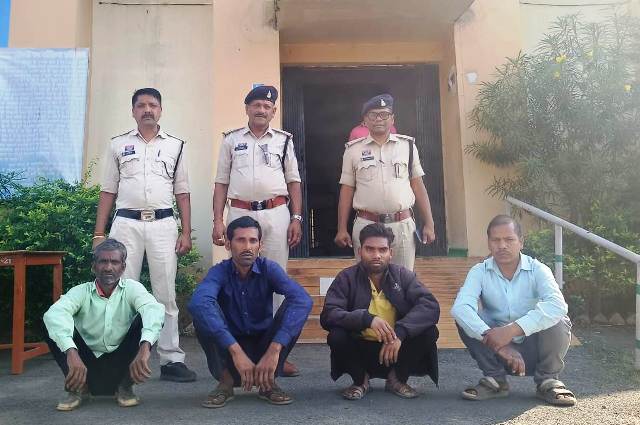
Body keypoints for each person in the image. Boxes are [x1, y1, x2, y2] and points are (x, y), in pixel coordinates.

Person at [92, 87, 196, 382]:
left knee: (166, 294)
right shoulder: (118, 145)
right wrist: (99, 233)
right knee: (122, 292)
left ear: (160, 110)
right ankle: (119, 358)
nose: (147, 109)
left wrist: (186, 232)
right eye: (141, 105)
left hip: (163, 225)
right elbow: (108, 190)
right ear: (133, 111)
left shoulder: (176, 146)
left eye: (152, 105)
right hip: (126, 225)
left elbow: (183, 192)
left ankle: (171, 359)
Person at [212, 85, 303, 376]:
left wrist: (296, 217)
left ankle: (277, 353)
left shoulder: (284, 141)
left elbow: (294, 181)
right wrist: (218, 220)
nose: (261, 110)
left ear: (273, 111)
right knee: (236, 279)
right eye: (256, 105)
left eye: (266, 106)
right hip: (240, 212)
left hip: (276, 213)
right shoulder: (231, 140)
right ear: (247, 109)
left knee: (276, 281)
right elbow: (221, 182)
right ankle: (238, 350)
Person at [451, 215, 576, 406]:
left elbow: (557, 305)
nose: (502, 246)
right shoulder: (479, 271)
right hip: (497, 351)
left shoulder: (538, 269)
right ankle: (495, 381)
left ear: (521, 242)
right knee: (465, 318)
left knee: (558, 319)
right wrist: (498, 344)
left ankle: (548, 381)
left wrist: (511, 330)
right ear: (489, 243)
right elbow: (460, 308)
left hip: (535, 348)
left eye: (509, 239)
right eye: (496, 240)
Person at [189, 216, 312, 408]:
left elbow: (303, 300)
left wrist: (274, 349)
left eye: (253, 241)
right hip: (229, 347)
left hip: (264, 345)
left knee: (295, 307)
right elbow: (198, 303)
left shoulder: (269, 268)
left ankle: (268, 382)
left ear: (260, 245)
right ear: (228, 244)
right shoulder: (219, 272)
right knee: (202, 311)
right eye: (241, 240)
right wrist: (235, 351)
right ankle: (226, 381)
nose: (247, 247)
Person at [321, 223, 440, 400]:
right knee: (336, 335)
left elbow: (430, 306)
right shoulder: (346, 277)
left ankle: (396, 379)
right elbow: (329, 314)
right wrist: (366, 319)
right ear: (360, 251)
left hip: (396, 351)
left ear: (390, 253)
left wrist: (400, 333)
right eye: (370, 249)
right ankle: (360, 381)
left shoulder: (403, 276)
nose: (376, 255)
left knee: (430, 332)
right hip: (360, 350)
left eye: (382, 250)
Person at [43, 239, 165, 411]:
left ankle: (125, 386)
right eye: (103, 261)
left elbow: (154, 310)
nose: (108, 267)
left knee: (152, 315)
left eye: (114, 262)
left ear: (123, 267)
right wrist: (71, 352)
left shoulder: (132, 289)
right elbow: (55, 314)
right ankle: (78, 387)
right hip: (84, 365)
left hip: (121, 365)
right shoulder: (80, 292)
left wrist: (145, 348)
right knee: (52, 322)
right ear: (94, 266)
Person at [335, 94, 436, 271]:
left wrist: (430, 223)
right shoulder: (353, 150)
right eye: (373, 115)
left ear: (392, 119)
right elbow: (346, 191)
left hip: (402, 225)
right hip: (367, 225)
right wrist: (341, 228)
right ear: (365, 120)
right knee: (367, 281)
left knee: (402, 279)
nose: (378, 119)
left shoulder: (408, 146)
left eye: (384, 114)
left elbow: (418, 186)